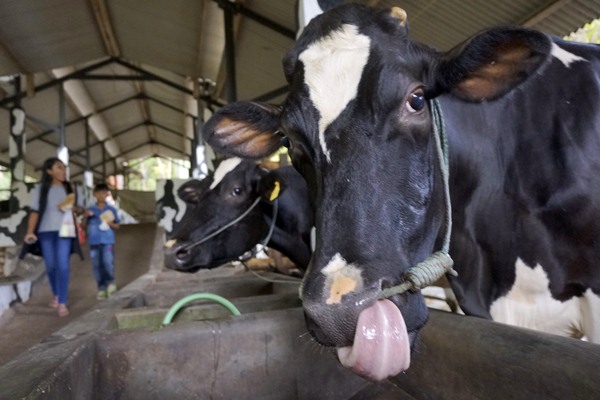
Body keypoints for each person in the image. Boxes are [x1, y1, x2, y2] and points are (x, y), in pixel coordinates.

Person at [23, 157, 84, 317]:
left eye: (64, 168)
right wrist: (30, 231)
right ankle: (56, 294)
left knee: (63, 264)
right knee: (50, 265)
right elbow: (35, 211)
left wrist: (72, 207)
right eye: (59, 168)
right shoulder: (41, 189)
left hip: (65, 231)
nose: (63, 171)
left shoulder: (70, 187)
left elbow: (79, 209)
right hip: (45, 232)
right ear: (49, 171)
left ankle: (62, 302)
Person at [86, 183, 120, 300]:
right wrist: (85, 216)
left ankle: (110, 283)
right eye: (98, 193)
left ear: (107, 194)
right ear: (94, 194)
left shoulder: (111, 210)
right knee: (96, 265)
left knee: (107, 262)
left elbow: (117, 226)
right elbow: (83, 225)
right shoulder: (90, 209)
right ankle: (101, 288)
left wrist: (109, 223)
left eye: (103, 193)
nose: (101, 195)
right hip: (94, 242)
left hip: (107, 241)